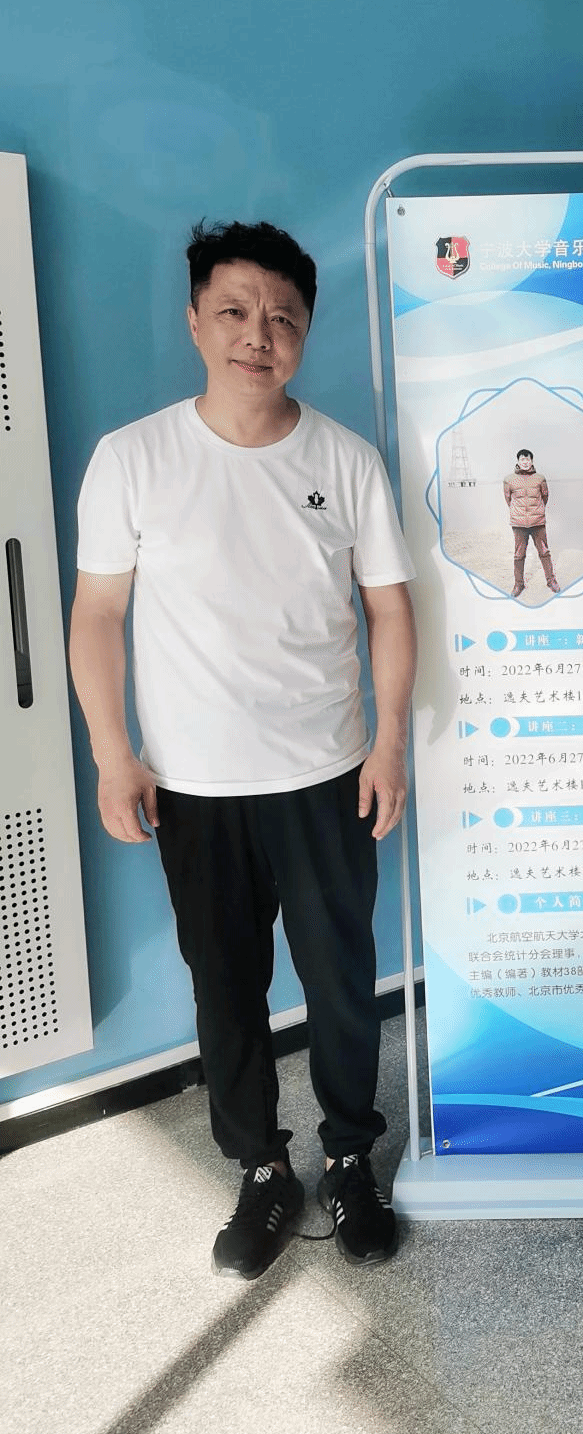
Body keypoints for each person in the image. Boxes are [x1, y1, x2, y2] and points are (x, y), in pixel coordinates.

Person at [69, 220, 417, 1281]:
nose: (258, 335)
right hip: (194, 784)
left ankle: (350, 1157)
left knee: (342, 984)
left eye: (282, 318)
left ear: (304, 332)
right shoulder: (134, 459)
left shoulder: (345, 460)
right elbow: (96, 614)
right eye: (234, 311)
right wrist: (113, 754)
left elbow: (389, 611)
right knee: (225, 988)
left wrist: (388, 745)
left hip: (325, 773)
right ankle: (262, 1169)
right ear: (195, 321)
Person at [503, 447, 559, 596]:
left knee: (544, 552)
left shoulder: (540, 478)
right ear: (518, 461)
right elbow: (508, 499)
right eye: (522, 459)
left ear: (532, 461)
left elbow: (545, 497)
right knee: (519, 555)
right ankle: (518, 585)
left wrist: (537, 511)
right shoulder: (509, 479)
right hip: (519, 524)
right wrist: (519, 513)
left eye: (527, 459)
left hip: (538, 522)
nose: (525, 462)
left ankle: (551, 581)